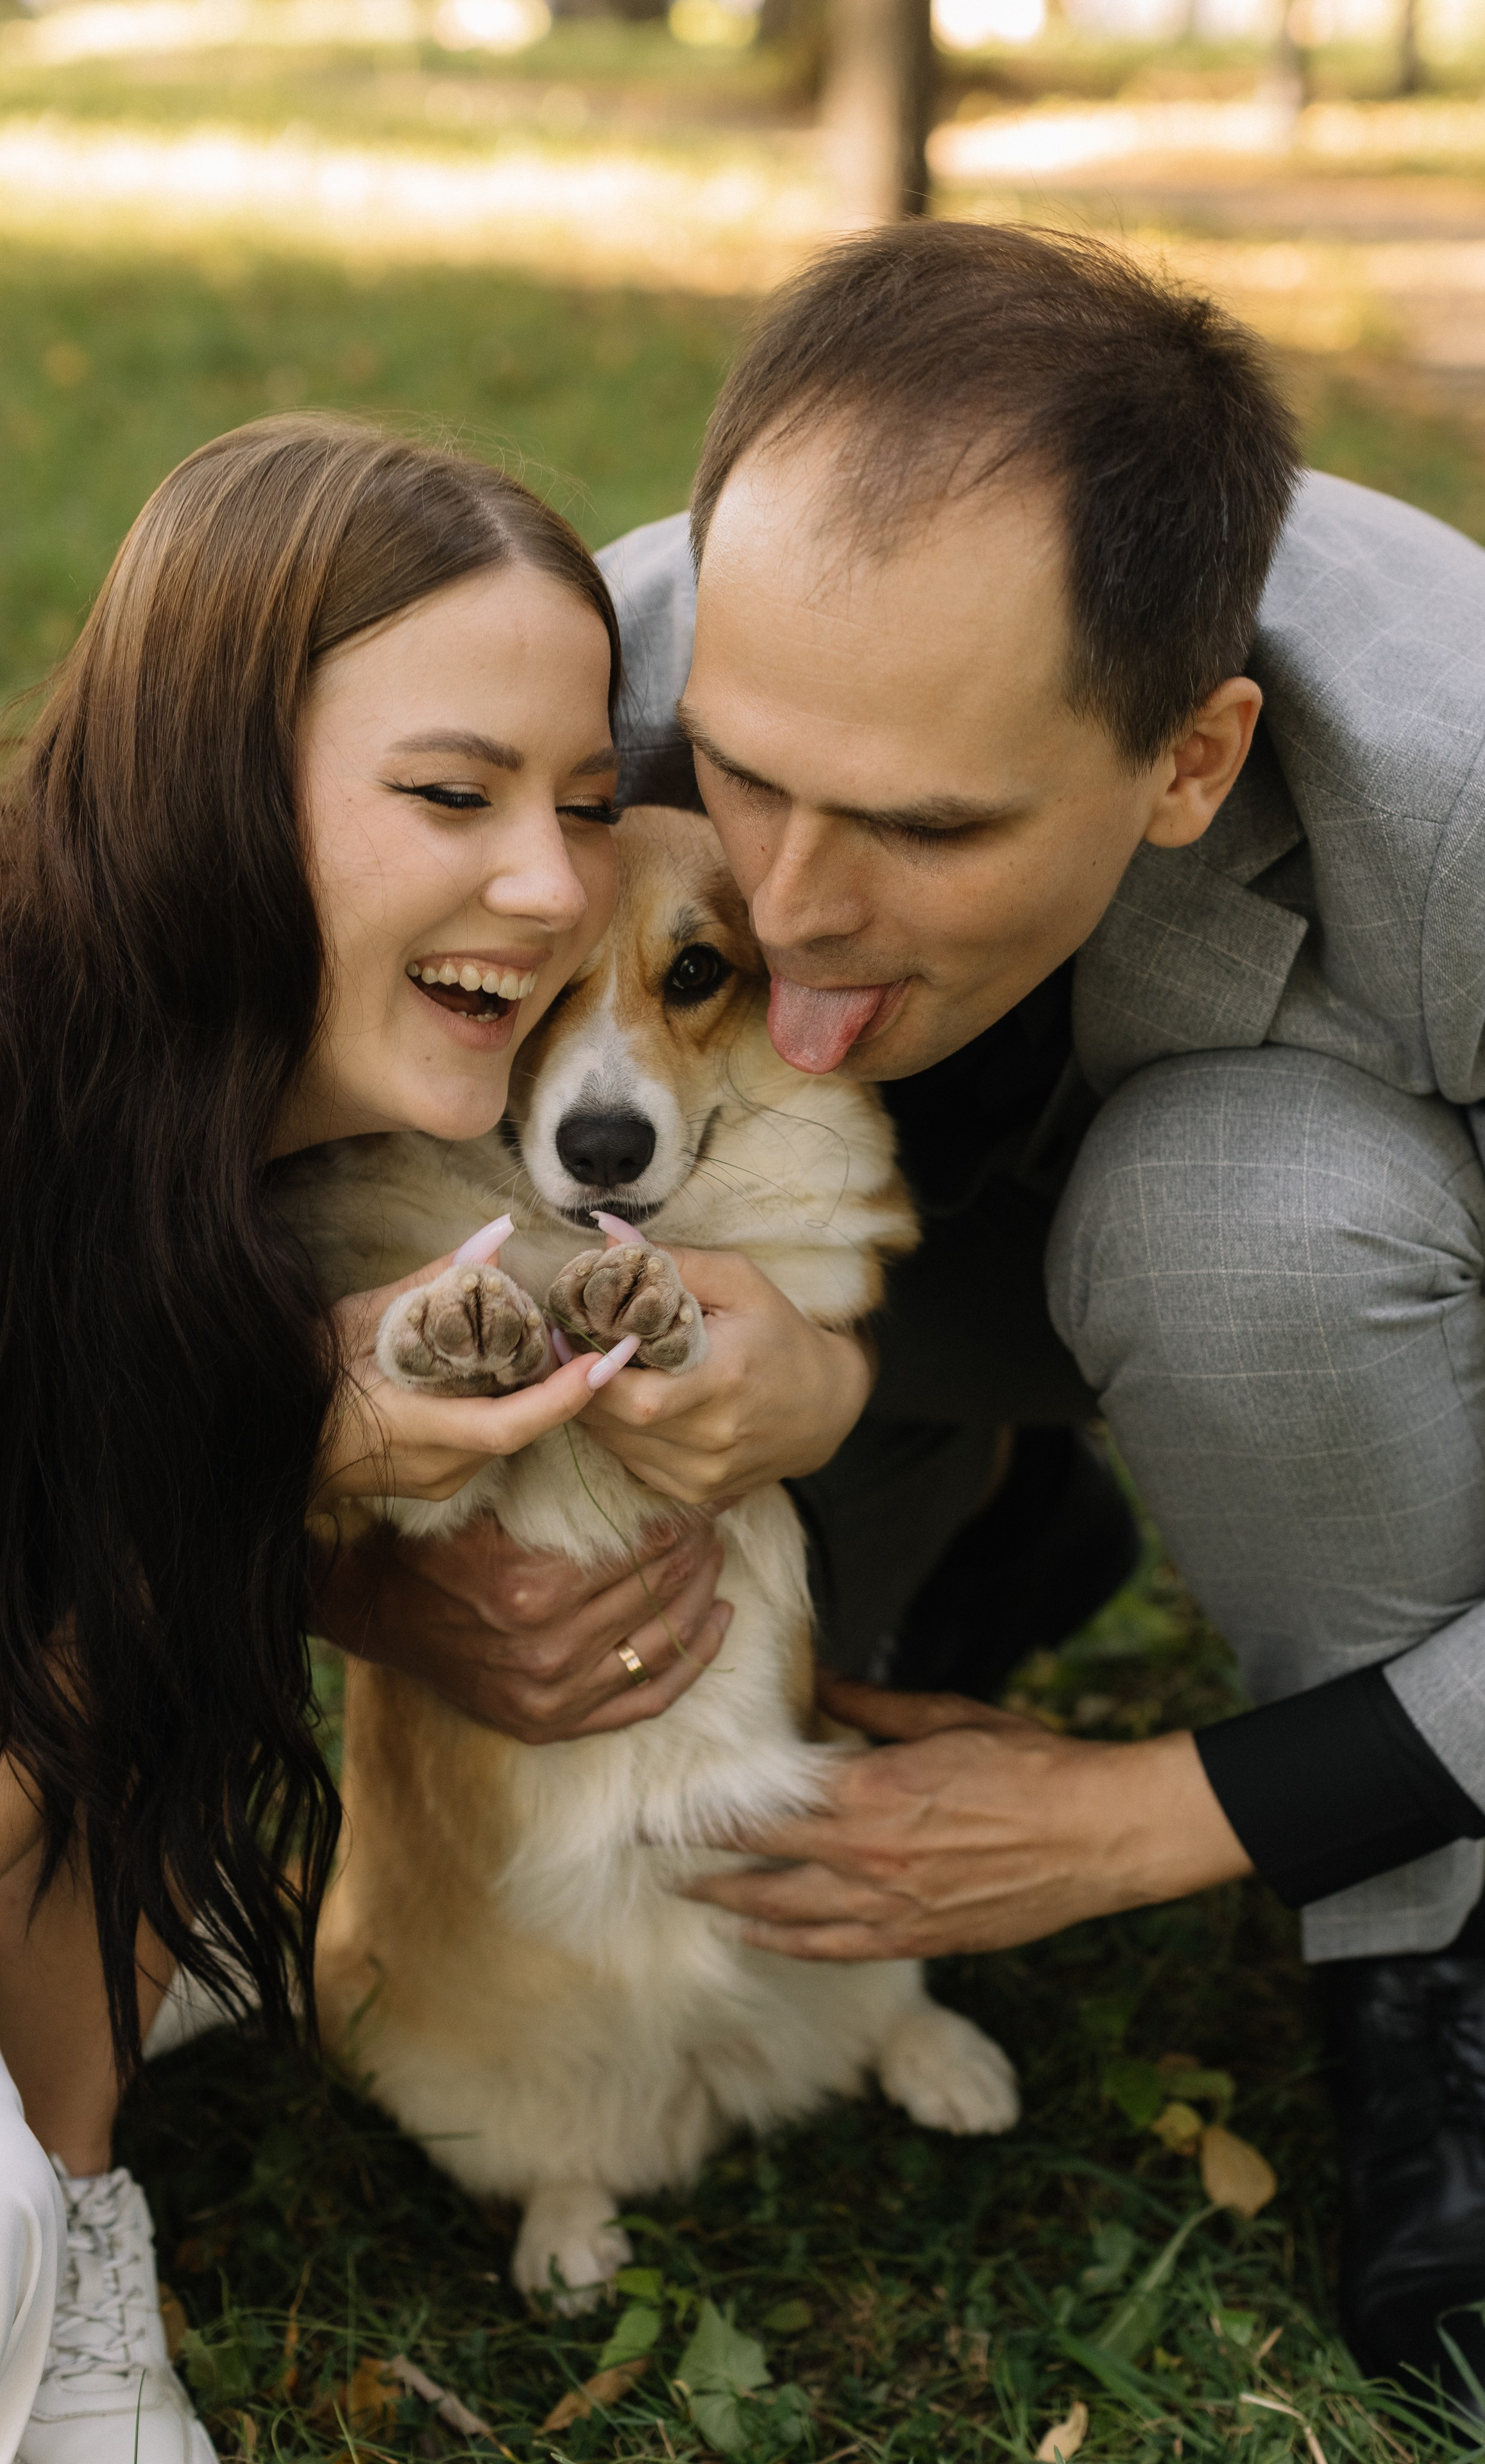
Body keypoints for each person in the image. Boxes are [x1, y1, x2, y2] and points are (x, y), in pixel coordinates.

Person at [320, 222, 1485, 2430]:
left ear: (1198, 758)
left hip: (1274, 1283)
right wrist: (364, 1579)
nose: (800, 904)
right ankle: (985, 1554)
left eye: (926, 826)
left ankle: (1411, 1963)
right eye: (742, 776)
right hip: (791, 1335)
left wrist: (1161, 1818)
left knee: (1253, 1208)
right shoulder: (577, 680)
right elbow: (164, 1248)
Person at [0, 413, 724, 2464]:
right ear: (204, 781)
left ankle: (82, 2211)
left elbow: (134, 1737)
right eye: (447, 792)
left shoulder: (226, 1160)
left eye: (587, 803)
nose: (549, 882)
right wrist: (278, 1472)